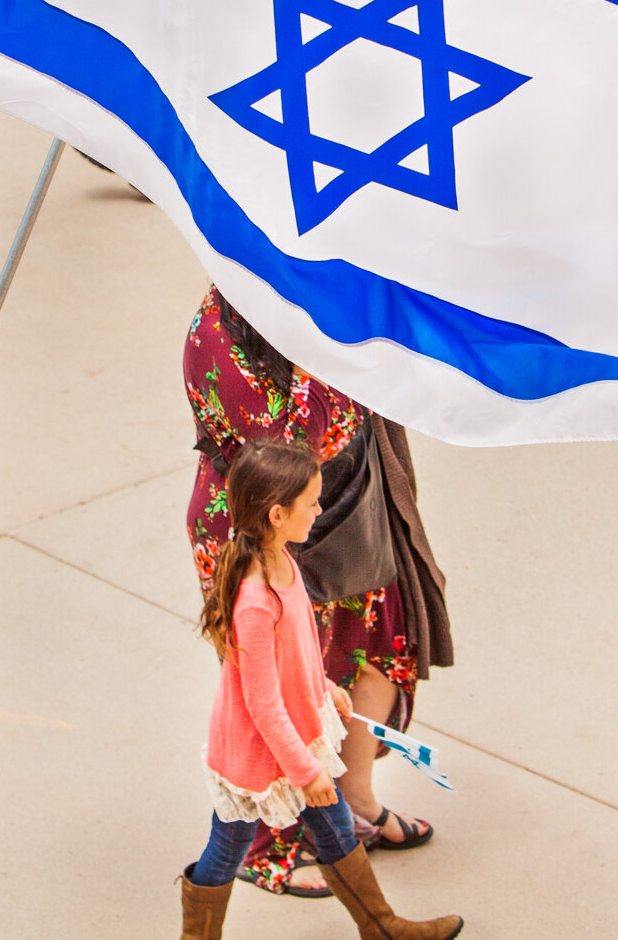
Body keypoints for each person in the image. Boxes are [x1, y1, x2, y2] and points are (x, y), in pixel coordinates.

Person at [185, 288, 452, 897]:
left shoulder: (320, 303)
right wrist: (352, 348)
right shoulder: (219, 335)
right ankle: (269, 846)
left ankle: (352, 799)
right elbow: (297, 440)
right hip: (264, 528)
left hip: (338, 505)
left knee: (378, 641)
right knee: (277, 684)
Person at [181, 438, 462, 940]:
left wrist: (324, 685)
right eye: (311, 501)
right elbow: (262, 705)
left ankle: (381, 927)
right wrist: (307, 771)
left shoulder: (284, 562)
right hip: (259, 757)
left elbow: (299, 651)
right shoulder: (253, 598)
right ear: (276, 514)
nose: (319, 508)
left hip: (298, 735)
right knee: (227, 849)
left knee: (334, 829)